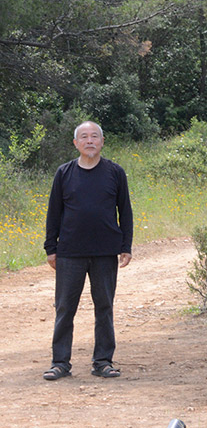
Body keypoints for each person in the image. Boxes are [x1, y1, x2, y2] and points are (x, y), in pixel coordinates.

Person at [43, 121, 133, 380]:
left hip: (106, 252)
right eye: (84, 137)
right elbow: (54, 213)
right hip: (70, 251)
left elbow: (125, 212)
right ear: (76, 143)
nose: (90, 141)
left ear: (102, 141)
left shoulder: (115, 173)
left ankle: (103, 361)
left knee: (104, 307)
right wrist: (51, 248)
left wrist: (125, 246)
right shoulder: (64, 173)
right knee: (64, 308)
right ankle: (60, 363)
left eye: (95, 136)